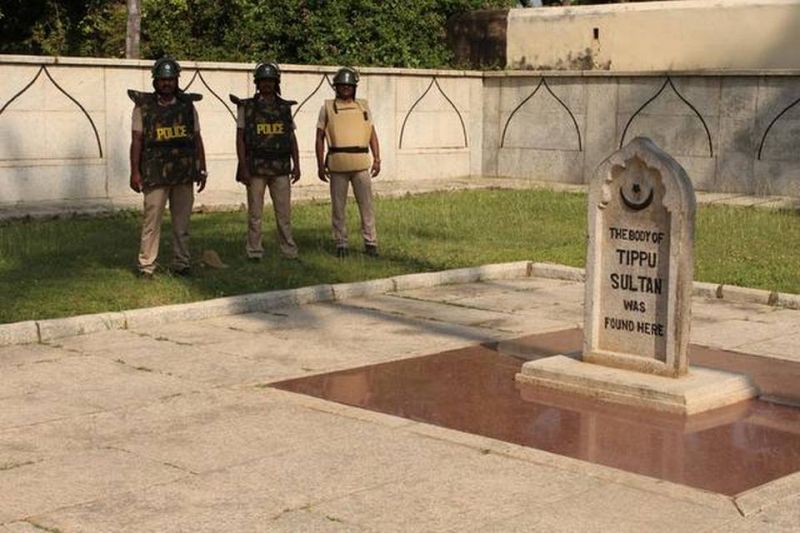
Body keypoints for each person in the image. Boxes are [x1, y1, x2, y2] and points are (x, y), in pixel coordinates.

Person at [128, 57, 207, 279]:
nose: (167, 83)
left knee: (182, 222)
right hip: (154, 173)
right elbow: (137, 141)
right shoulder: (143, 107)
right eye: (163, 80)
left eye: (171, 79)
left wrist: (202, 167)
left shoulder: (187, 106)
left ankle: (181, 263)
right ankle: (146, 266)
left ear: (176, 80)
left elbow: (197, 139)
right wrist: (135, 171)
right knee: (151, 222)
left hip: (183, 171)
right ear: (156, 81)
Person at [231, 62, 300, 261]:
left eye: (270, 81)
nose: (267, 85)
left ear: (276, 83)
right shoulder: (247, 107)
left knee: (284, 213)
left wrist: (297, 164)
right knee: (255, 213)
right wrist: (243, 166)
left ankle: (289, 250)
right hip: (255, 166)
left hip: (280, 167)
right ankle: (254, 251)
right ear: (257, 83)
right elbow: (240, 138)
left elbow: (291, 137)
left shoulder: (284, 108)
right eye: (263, 81)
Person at [315, 67, 381, 258]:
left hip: (361, 163)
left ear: (354, 88)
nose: (345, 89)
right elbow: (319, 137)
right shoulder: (327, 108)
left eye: (349, 86)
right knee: (338, 207)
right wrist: (320, 164)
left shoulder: (363, 107)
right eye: (342, 86)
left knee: (367, 205)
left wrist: (377, 158)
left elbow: (372, 133)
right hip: (338, 163)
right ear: (336, 87)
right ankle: (341, 243)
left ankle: (371, 241)